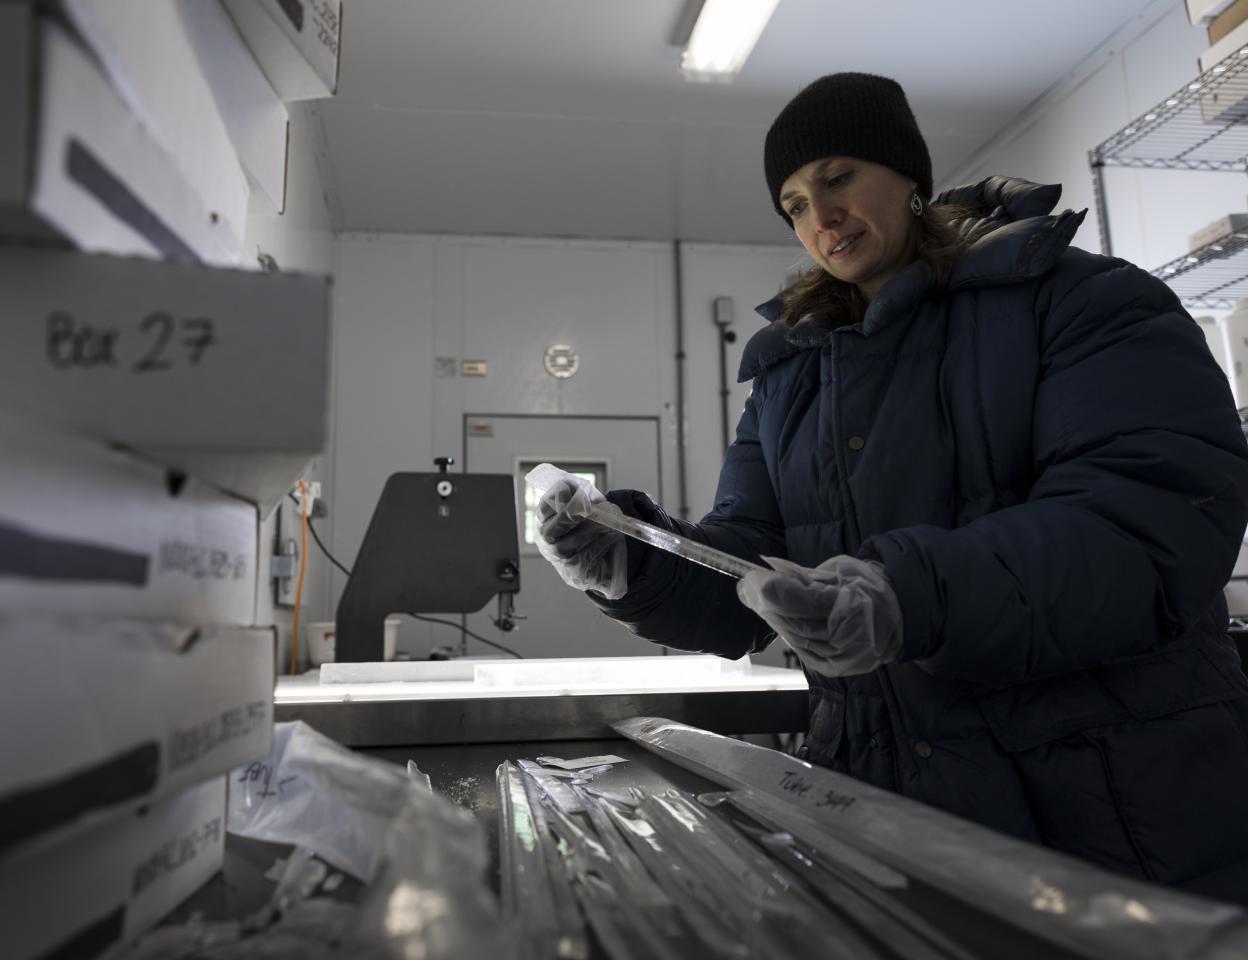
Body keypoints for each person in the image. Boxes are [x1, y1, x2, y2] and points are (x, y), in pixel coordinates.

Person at [534, 72, 1248, 903]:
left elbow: (1146, 525)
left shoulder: (1081, 301)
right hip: (889, 808)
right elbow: (750, 564)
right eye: (795, 204)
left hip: (1114, 814)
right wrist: (632, 560)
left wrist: (910, 595)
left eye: (837, 178)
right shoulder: (790, 376)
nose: (820, 216)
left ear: (909, 175)